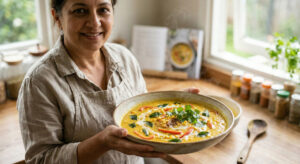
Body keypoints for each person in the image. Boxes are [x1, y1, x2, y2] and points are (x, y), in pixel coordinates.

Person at [17, 0, 199, 163]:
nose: (94, 23)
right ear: (57, 17)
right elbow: (40, 160)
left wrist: (172, 105)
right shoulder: (38, 82)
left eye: (103, 9)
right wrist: (101, 143)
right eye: (80, 11)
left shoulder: (125, 57)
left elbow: (142, 113)